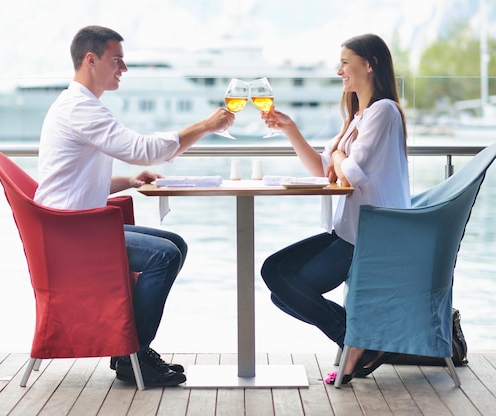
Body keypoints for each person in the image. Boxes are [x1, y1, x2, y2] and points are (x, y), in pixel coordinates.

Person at [33, 25, 234, 387]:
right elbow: (143, 148)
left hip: (76, 225)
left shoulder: (79, 107)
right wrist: (207, 124)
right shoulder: (80, 109)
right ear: (91, 60)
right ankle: (132, 353)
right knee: (165, 256)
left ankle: (131, 351)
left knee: (175, 244)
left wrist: (127, 181)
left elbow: (72, 182)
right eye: (117, 61)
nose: (123, 69)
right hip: (72, 234)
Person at [259, 33, 410, 384]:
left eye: (345, 61)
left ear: (368, 64)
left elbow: (350, 174)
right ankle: (361, 337)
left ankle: (358, 341)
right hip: (347, 230)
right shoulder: (357, 118)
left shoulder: (383, 112)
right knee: (278, 279)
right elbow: (323, 167)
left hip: (370, 237)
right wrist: (290, 129)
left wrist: (341, 158)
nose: (338, 69)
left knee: (283, 283)